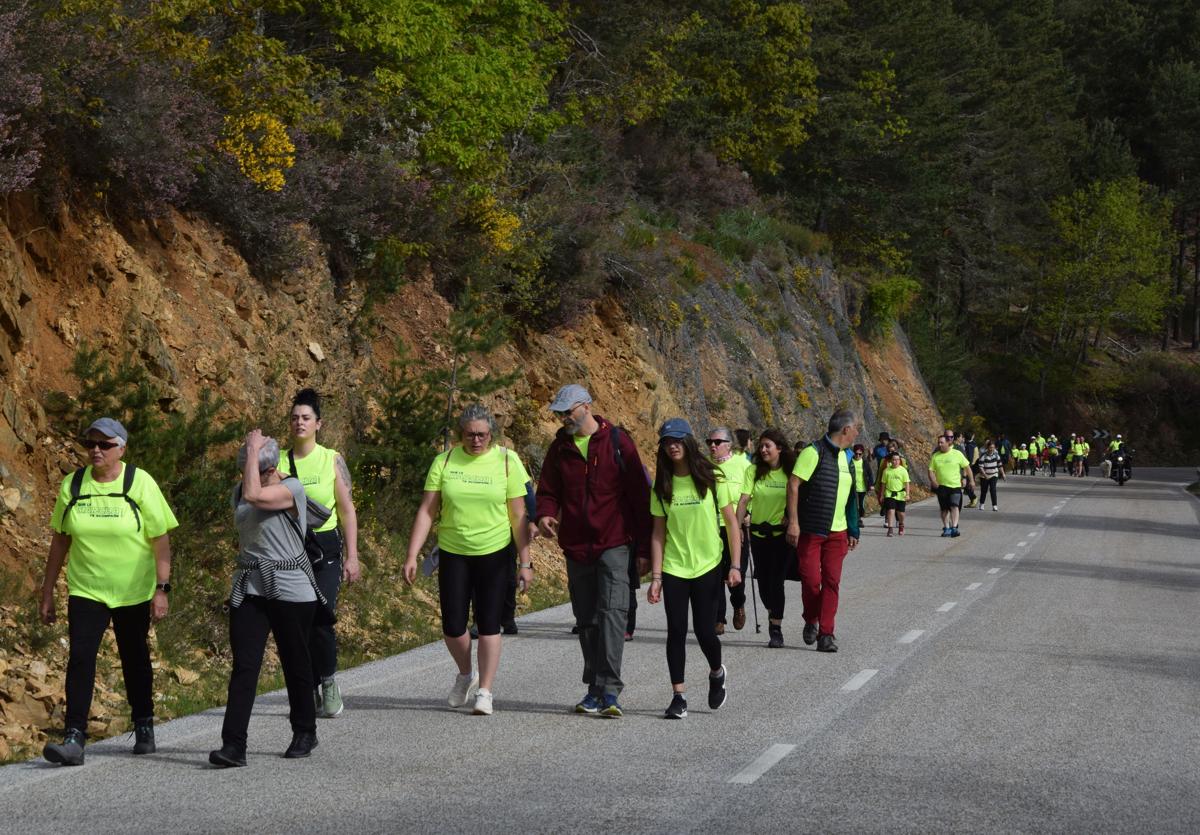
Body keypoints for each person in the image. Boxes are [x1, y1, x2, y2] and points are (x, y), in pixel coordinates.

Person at [40, 418, 177, 766]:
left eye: (105, 444)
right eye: (90, 444)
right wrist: (47, 591)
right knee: (81, 659)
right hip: (87, 589)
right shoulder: (73, 486)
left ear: (122, 448)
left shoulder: (139, 483)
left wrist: (161, 589)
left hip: (132, 590)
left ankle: (143, 723)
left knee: (134, 659)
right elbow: (60, 540)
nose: (96, 451)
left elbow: (160, 540)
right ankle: (74, 737)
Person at [403, 405, 531, 717]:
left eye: (482, 435)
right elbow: (427, 511)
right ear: (460, 434)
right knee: (453, 626)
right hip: (453, 551)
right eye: (470, 434)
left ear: (492, 434)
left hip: (495, 553)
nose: (476, 440)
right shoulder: (444, 461)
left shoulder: (506, 461)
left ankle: (485, 691)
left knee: (489, 623)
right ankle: (465, 674)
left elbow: (518, 515)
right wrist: (411, 554)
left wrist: (525, 562)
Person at [210, 430, 329, 767]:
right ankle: (234, 746)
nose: (256, 475)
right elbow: (247, 493)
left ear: (274, 466)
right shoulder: (241, 490)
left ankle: (305, 730)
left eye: (263, 469)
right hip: (250, 585)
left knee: (296, 661)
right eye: (251, 468)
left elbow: (255, 494)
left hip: (291, 586)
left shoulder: (291, 488)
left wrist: (252, 449)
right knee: (245, 666)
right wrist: (250, 455)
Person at [535, 385, 651, 718]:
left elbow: (641, 499)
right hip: (576, 545)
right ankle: (594, 688)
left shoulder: (617, 442)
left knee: (613, 614)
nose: (563, 417)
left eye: (567, 411)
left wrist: (643, 548)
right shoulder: (560, 448)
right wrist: (544, 514)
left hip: (614, 543)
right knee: (586, 619)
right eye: (559, 412)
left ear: (586, 406)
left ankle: (610, 690)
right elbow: (548, 490)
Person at [276, 388, 361, 719]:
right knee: (295, 622)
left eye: (306, 418)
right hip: (289, 550)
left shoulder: (331, 460)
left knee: (321, 617)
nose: (299, 422)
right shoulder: (279, 461)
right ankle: (306, 685)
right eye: (295, 417)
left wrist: (352, 556)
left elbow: (347, 509)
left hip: (324, 548)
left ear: (318, 424)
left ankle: (328, 682)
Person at [647, 419, 740, 719]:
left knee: (704, 632)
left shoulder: (712, 478)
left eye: (678, 440)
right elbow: (658, 533)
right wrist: (656, 577)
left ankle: (716, 671)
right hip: (675, 567)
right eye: (667, 441)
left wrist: (735, 565)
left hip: (708, 566)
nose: (673, 445)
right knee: (675, 631)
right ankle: (679, 696)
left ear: (688, 442)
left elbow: (731, 525)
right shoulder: (661, 485)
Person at [785, 409, 862, 654]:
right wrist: (794, 522)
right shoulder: (812, 452)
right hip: (811, 529)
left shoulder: (848, 457)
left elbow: (851, 498)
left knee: (831, 582)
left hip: (838, 533)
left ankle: (826, 633)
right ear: (846, 430)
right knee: (811, 581)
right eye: (856, 429)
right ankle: (811, 618)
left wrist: (853, 529)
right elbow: (793, 484)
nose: (858, 433)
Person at [736, 429, 794, 647]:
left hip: (781, 537)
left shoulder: (790, 471)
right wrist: (738, 527)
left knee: (777, 582)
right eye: (761, 446)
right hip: (759, 535)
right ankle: (772, 611)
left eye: (767, 445)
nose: (763, 449)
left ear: (779, 448)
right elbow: (743, 501)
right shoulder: (753, 471)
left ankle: (775, 628)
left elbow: (799, 496)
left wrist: (792, 518)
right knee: (763, 585)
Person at [706, 427, 751, 635]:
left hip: (736, 525)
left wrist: (746, 516)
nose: (712, 446)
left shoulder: (743, 464)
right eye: (709, 442)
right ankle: (718, 618)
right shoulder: (705, 467)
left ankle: (738, 603)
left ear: (728, 444)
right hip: (711, 527)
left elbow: (750, 493)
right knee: (715, 575)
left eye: (716, 442)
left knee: (736, 574)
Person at [929, 433, 973, 537]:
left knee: (954, 506)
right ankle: (947, 528)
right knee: (944, 509)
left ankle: (954, 527)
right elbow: (930, 470)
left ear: (948, 443)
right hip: (942, 486)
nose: (940, 444)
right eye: (938, 442)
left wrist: (970, 480)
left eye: (942, 442)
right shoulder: (936, 456)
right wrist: (933, 481)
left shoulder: (957, 454)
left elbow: (967, 467)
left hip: (955, 486)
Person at [876, 450, 911, 536]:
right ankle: (890, 529)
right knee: (891, 510)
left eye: (897, 460)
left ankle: (901, 524)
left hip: (900, 494)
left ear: (900, 460)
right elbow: (883, 484)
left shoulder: (903, 471)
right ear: (891, 461)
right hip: (889, 493)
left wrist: (907, 494)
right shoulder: (886, 471)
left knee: (901, 513)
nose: (895, 461)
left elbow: (907, 483)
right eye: (894, 460)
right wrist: (881, 495)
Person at [976, 440, 1005, 511]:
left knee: (993, 489)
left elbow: (1000, 465)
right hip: (984, 475)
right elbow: (980, 466)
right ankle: (981, 504)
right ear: (987, 447)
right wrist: (984, 475)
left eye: (993, 447)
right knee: (984, 490)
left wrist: (1003, 474)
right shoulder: (983, 455)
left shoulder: (996, 455)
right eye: (990, 447)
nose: (991, 449)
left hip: (994, 475)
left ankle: (994, 505)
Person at [850, 444, 874, 520]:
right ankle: (856, 519)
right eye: (856, 453)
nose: (858, 455)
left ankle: (860, 518)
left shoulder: (865, 462)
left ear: (862, 454)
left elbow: (870, 474)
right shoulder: (850, 461)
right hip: (853, 487)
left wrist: (871, 485)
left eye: (860, 454)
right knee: (855, 504)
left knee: (861, 504)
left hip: (863, 487)